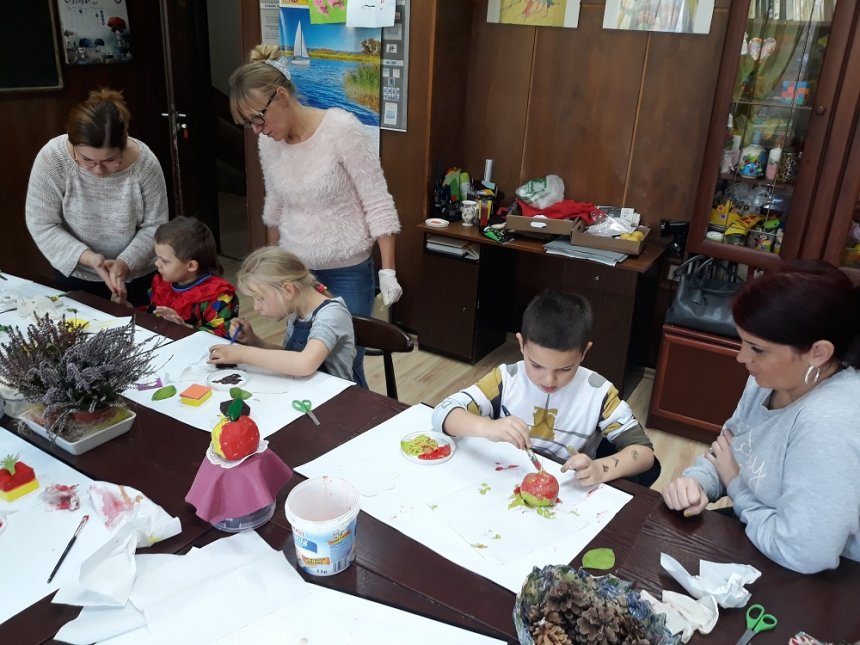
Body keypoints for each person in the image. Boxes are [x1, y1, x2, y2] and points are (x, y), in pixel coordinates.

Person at [662, 261, 860, 574]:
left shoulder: (829, 423)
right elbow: (729, 451)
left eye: (757, 349)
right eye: (742, 342)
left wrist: (736, 486)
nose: (741, 357)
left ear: (818, 353)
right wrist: (697, 481)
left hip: (823, 577)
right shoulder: (768, 381)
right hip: (760, 530)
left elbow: (803, 553)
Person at [227, 44, 402, 386]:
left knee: (344, 367)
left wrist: (388, 271)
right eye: (249, 123)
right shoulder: (269, 143)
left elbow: (377, 201)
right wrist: (270, 267)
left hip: (348, 270)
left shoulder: (342, 130)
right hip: (296, 272)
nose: (257, 130)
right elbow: (275, 207)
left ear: (281, 96)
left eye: (258, 118)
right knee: (297, 356)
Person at [431, 290, 659, 486]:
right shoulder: (506, 379)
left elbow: (644, 453)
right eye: (536, 365)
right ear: (521, 344)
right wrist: (487, 427)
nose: (549, 380)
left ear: (584, 352)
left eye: (565, 369)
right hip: (503, 478)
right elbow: (442, 413)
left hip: (566, 488)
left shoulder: (599, 393)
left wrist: (600, 469)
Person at [25, 88, 168, 306]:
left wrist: (125, 263)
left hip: (137, 274)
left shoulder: (145, 164)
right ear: (72, 142)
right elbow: (42, 223)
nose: (98, 170)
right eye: (87, 160)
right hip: (77, 273)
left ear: (124, 142)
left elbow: (155, 225)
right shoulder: (53, 158)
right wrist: (89, 258)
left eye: (110, 160)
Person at [207, 246, 355, 382]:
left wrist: (242, 354)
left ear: (287, 290)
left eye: (260, 298)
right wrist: (254, 341)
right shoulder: (297, 312)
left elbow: (304, 363)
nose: (256, 307)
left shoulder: (331, 315)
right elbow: (290, 357)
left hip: (339, 397)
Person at [148, 216, 238, 338]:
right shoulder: (163, 284)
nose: (156, 264)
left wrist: (184, 328)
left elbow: (223, 335)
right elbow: (151, 315)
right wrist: (126, 305)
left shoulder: (219, 295)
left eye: (164, 261)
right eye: (157, 257)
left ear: (190, 265)